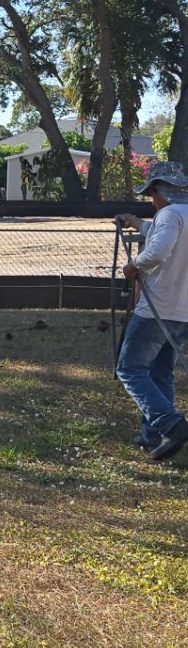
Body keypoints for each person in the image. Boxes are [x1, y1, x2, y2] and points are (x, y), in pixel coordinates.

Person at [116, 159, 188, 461]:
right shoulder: (178, 215)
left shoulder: (169, 214)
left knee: (130, 368)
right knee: (161, 371)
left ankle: (170, 424)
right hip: (183, 312)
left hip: (158, 306)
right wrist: (137, 222)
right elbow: (161, 233)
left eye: (151, 194)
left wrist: (135, 266)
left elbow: (158, 249)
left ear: (160, 190)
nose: (152, 200)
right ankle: (154, 436)